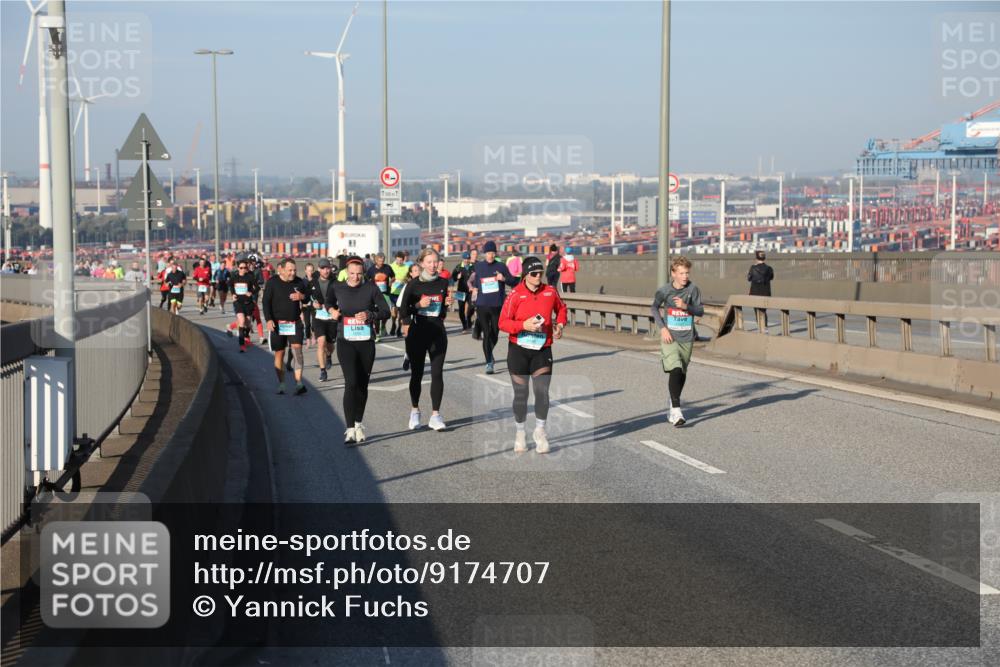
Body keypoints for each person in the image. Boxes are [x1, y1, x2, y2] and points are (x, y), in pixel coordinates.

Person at [498, 256, 567, 454]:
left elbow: (562, 309)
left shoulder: (550, 291)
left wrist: (560, 325)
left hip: (542, 349)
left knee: (542, 391)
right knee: (521, 394)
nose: (538, 277)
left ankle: (540, 431)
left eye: (540, 273)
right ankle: (520, 433)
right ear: (525, 275)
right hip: (518, 350)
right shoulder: (515, 294)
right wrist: (523, 325)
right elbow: (503, 322)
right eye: (534, 274)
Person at [327, 257, 390, 444]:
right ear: (346, 272)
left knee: (362, 385)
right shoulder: (337, 287)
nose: (355, 277)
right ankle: (349, 429)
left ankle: (358, 423)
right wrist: (331, 311)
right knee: (351, 382)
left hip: (366, 342)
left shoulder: (371, 288)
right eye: (352, 273)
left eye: (359, 274)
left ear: (363, 273)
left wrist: (370, 314)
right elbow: (328, 302)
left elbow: (385, 311)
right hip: (345, 340)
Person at [398, 248, 454, 431]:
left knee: (437, 373)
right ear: (421, 263)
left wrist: (447, 304)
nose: (433, 265)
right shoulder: (413, 284)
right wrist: (418, 305)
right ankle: (415, 411)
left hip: (437, 333)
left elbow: (441, 312)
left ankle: (435, 415)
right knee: (417, 374)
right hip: (418, 333)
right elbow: (403, 311)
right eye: (429, 262)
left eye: (435, 261)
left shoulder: (443, 282)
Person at [651, 255, 704, 427]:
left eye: (687, 273)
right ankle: (676, 410)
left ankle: (672, 402)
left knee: (682, 373)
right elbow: (654, 307)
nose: (685, 276)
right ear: (673, 273)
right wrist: (663, 328)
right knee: (675, 368)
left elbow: (700, 311)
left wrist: (685, 306)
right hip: (670, 337)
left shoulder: (693, 290)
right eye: (681, 273)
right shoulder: (665, 291)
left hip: (687, 338)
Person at [262, 257, 309, 395]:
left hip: (295, 322)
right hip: (278, 324)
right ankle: (282, 383)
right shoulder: (272, 282)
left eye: (294, 270)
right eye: (290, 270)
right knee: (280, 353)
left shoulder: (299, 282)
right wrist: (269, 320)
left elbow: (308, 297)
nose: (293, 273)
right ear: (281, 270)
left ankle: (299, 383)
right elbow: (265, 302)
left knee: (297, 351)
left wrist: (301, 297)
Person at [469, 240, 516, 374]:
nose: (491, 255)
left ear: (495, 253)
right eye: (488, 253)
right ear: (484, 253)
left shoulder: (501, 266)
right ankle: (489, 362)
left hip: (497, 305)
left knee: (495, 333)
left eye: (493, 253)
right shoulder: (478, 266)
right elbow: (475, 282)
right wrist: (474, 290)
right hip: (482, 305)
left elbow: (514, 281)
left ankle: (489, 353)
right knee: (487, 333)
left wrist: (503, 279)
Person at [307, 258, 338, 382]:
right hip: (318, 317)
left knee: (330, 346)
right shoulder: (312, 283)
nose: (326, 270)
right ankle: (323, 371)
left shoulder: (335, 282)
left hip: (331, 317)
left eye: (328, 268)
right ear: (319, 269)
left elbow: (342, 297)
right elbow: (306, 298)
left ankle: (329, 356)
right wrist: (312, 303)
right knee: (321, 342)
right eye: (323, 268)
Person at [229, 259, 260, 353]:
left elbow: (257, 287)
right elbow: (230, 285)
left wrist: (251, 292)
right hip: (238, 302)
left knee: (248, 324)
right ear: (238, 268)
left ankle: (246, 336)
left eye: (245, 268)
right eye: (241, 268)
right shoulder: (234, 277)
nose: (243, 269)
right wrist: (233, 294)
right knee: (242, 321)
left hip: (248, 303)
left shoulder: (250, 277)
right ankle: (242, 345)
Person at [397, 263, 422, 371]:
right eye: (415, 271)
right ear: (411, 273)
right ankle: (407, 356)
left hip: (420, 313)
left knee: (419, 338)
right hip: (408, 313)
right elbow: (400, 304)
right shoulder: (408, 285)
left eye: (419, 270)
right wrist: (402, 316)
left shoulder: (425, 284)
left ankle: (414, 356)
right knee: (409, 337)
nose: (418, 272)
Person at [366, 253, 395, 340]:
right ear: (376, 260)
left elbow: (393, 276)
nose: (381, 263)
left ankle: (383, 326)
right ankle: (377, 333)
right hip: (375, 294)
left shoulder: (387, 268)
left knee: (387, 312)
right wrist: (370, 286)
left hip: (385, 293)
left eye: (382, 261)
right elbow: (366, 279)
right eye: (379, 261)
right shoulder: (371, 269)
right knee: (376, 313)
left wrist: (391, 282)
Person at [747, 250, 774, 332]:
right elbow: (771, 277)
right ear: (764, 258)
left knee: (756, 310)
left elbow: (749, 278)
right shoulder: (769, 268)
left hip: (755, 292)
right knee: (763, 310)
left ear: (756, 258)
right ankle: (765, 327)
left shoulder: (753, 268)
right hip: (766, 292)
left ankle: (760, 326)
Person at [451, 252, 474, 332]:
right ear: (462, 259)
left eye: (468, 259)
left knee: (472, 307)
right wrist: (457, 277)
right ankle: (464, 326)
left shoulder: (473, 267)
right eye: (465, 259)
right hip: (460, 291)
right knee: (461, 308)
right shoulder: (458, 267)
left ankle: (468, 319)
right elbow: (453, 279)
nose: (466, 260)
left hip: (470, 291)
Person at [388, 251, 410, 337]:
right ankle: (393, 324)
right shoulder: (391, 266)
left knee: (401, 313)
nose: (399, 262)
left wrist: (406, 281)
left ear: (403, 260)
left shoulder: (407, 267)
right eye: (397, 260)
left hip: (402, 294)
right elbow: (387, 277)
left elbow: (409, 278)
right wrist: (390, 282)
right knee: (394, 312)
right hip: (393, 292)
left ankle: (399, 329)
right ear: (395, 259)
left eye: (401, 260)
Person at [301, 263, 316, 347]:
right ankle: (307, 338)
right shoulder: (302, 281)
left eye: (311, 270)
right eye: (308, 270)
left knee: (314, 323)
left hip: (314, 305)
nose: (310, 272)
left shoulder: (316, 280)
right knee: (307, 324)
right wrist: (301, 306)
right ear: (305, 271)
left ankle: (313, 336)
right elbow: (300, 294)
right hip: (305, 305)